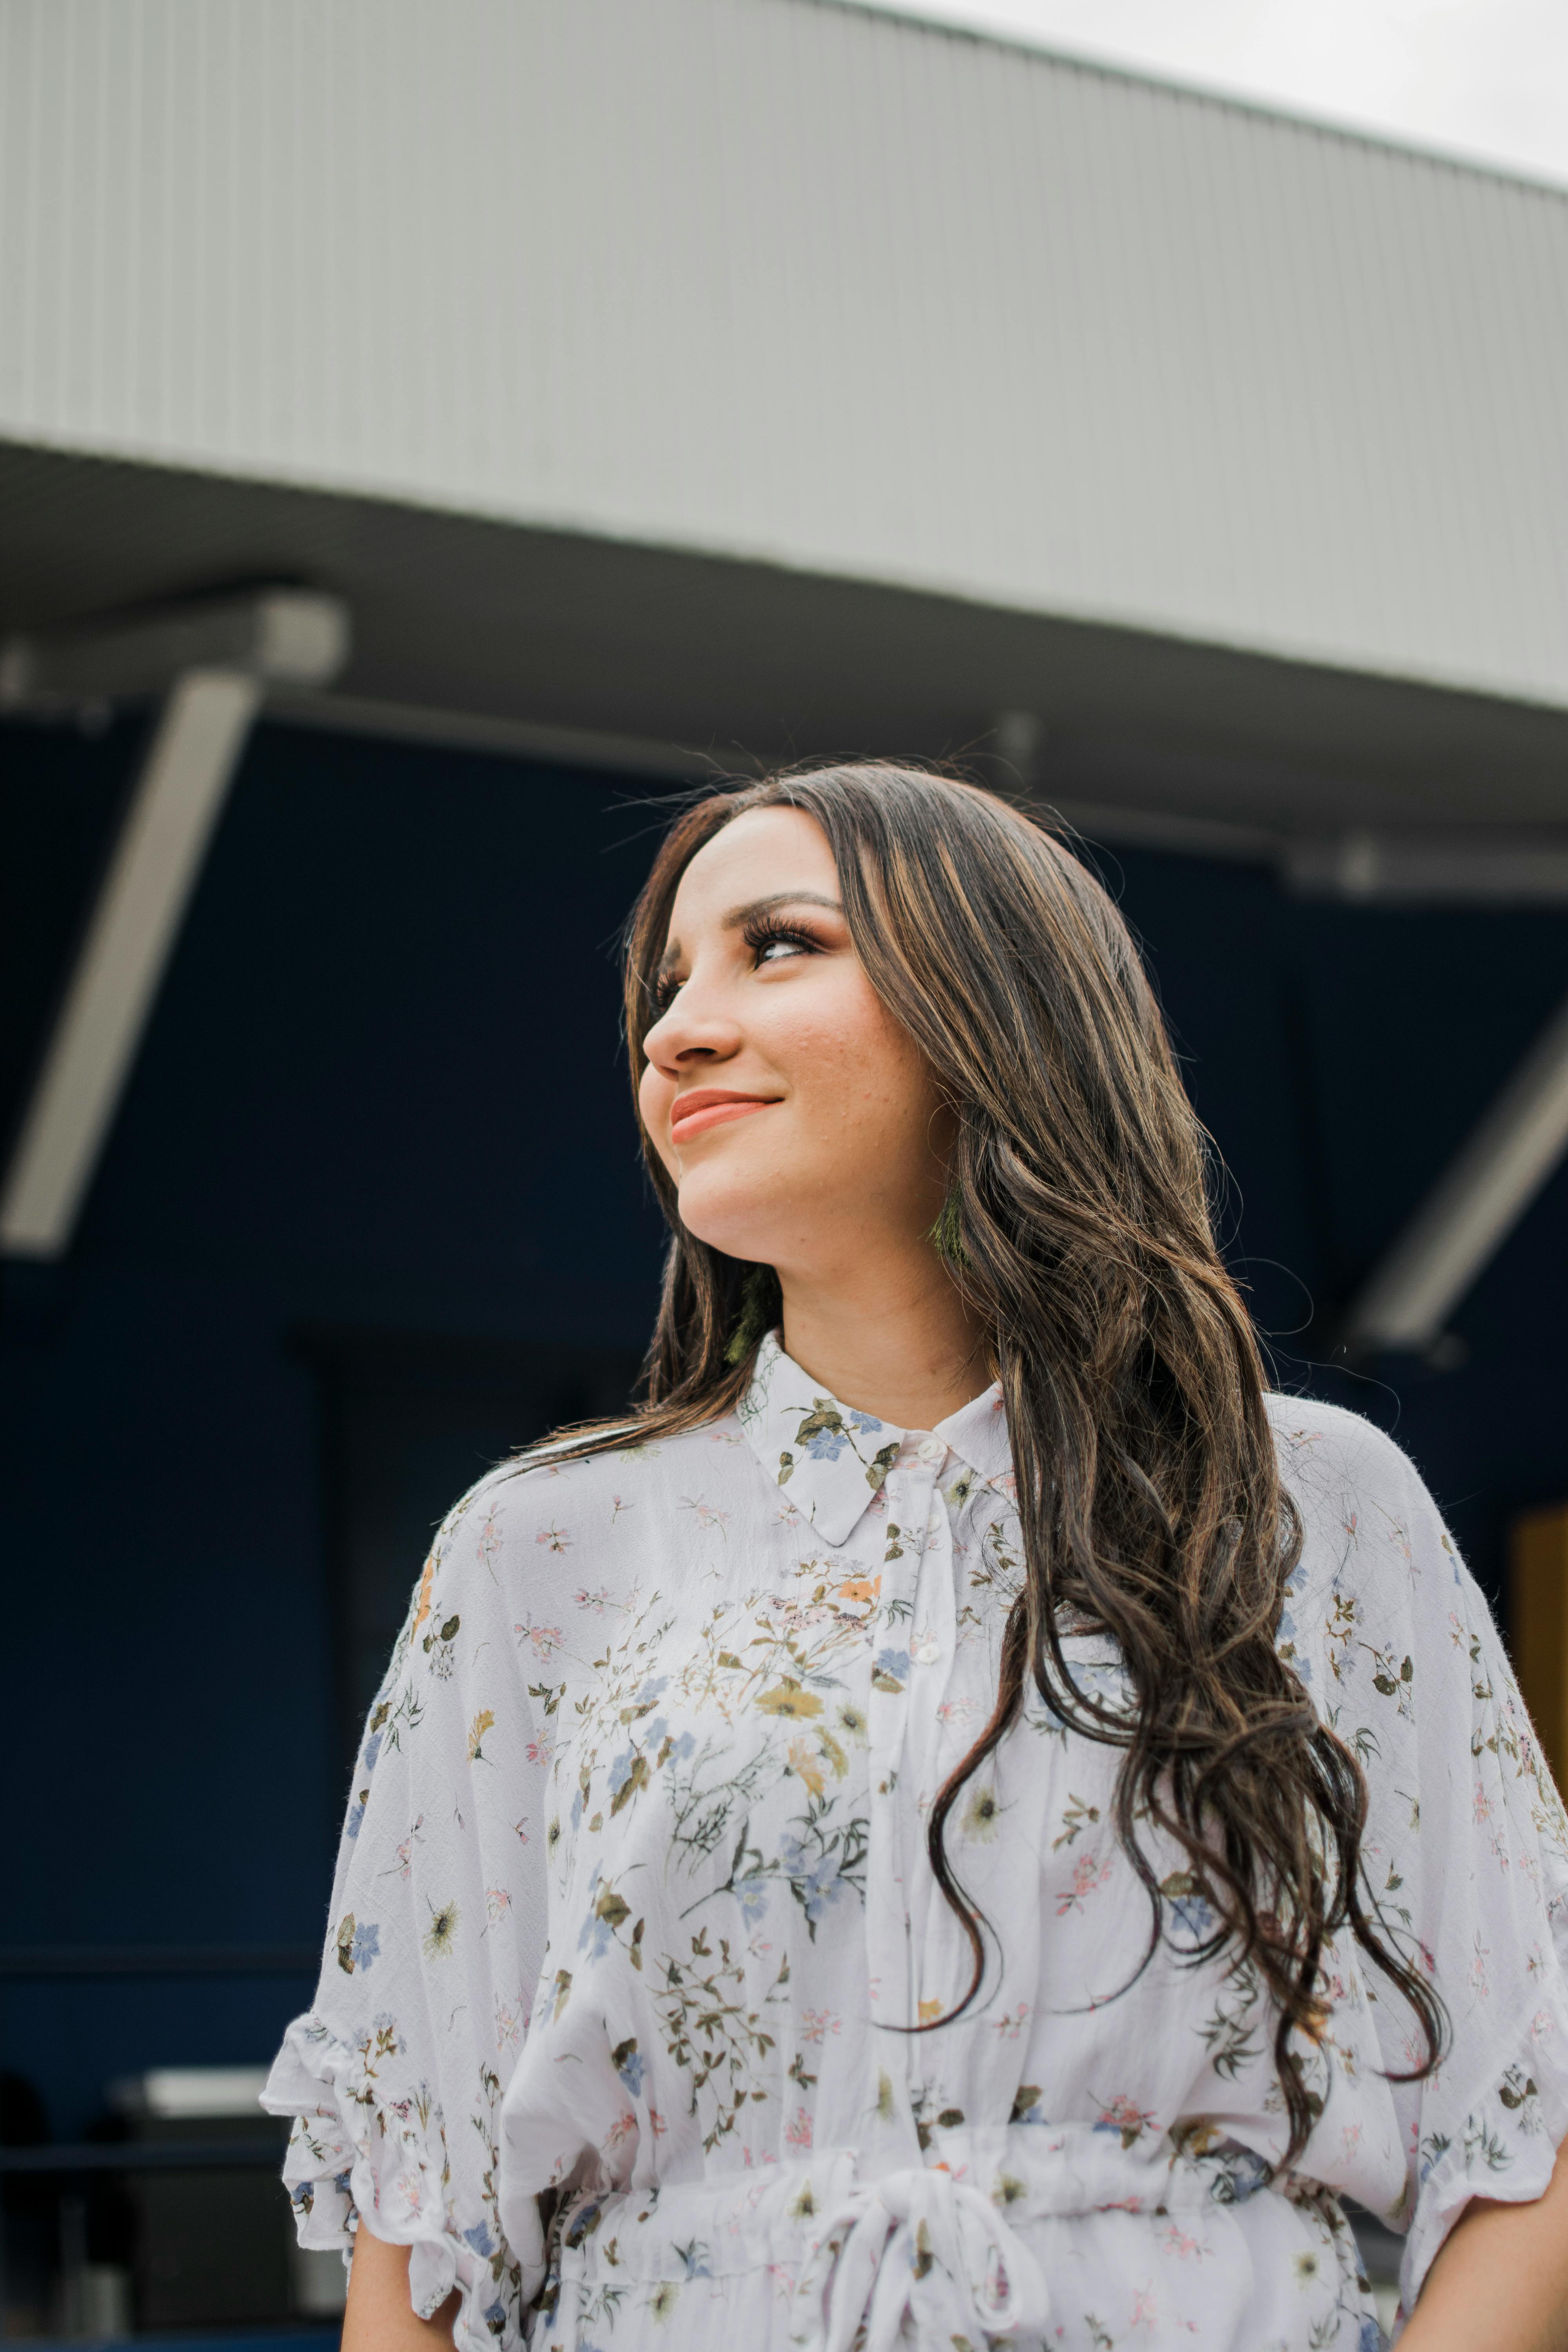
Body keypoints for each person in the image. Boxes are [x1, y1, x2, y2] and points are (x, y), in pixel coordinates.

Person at [265, 765, 1568, 2351]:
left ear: (995, 1012)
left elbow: (1536, 2110)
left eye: (779, 946)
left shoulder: (1303, 1504)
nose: (676, 1030)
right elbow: (425, 2209)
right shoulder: (536, 1551)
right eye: (668, 986)